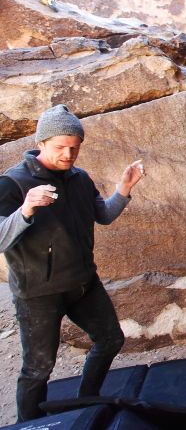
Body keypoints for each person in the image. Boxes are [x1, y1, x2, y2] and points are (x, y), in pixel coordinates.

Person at [0, 105, 145, 422]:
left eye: (74, 148)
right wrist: (26, 209)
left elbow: (103, 215)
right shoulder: (12, 184)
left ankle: (86, 404)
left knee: (110, 340)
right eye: (60, 148)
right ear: (41, 143)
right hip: (38, 293)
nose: (68, 154)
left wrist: (124, 189)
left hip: (82, 283)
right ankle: (29, 426)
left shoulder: (79, 178)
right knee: (38, 369)